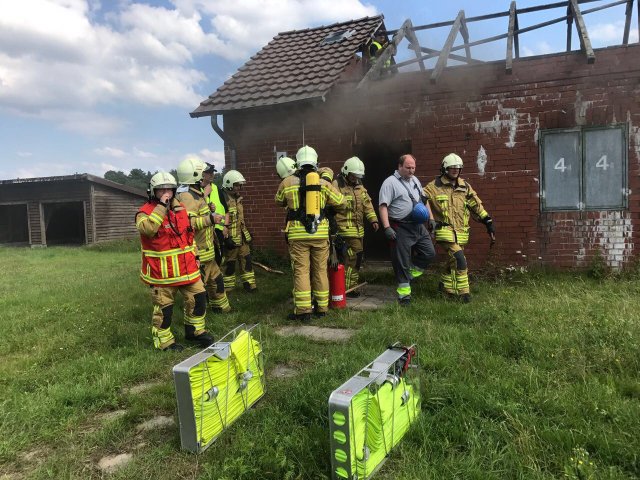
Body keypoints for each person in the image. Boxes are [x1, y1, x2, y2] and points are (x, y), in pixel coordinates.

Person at [135, 171, 213, 351]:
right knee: (165, 310)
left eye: (169, 189)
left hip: (188, 270)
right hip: (162, 275)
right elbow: (148, 230)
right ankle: (164, 342)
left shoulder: (181, 210)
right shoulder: (144, 213)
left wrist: (196, 257)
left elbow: (188, 235)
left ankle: (195, 331)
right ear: (153, 192)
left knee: (199, 298)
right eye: (161, 190)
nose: (166, 193)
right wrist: (162, 207)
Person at [275, 145, 345, 321]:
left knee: (301, 272)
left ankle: (304, 311)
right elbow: (341, 202)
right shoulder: (323, 183)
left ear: (297, 162)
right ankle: (322, 308)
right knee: (320, 270)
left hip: (297, 235)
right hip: (320, 234)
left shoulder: (287, 182)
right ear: (315, 162)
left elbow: (279, 201)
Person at [423, 153, 495, 303]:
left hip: (461, 233)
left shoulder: (465, 187)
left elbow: (476, 206)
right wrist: (430, 219)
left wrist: (488, 221)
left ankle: (444, 287)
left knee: (453, 262)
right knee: (459, 259)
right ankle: (463, 294)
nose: (455, 170)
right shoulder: (434, 187)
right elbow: (420, 198)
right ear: (444, 169)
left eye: (458, 168)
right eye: (452, 168)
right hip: (444, 232)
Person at [176, 157, 231, 313]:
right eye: (202, 173)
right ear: (194, 175)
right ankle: (196, 318)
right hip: (198, 254)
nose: (205, 177)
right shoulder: (187, 197)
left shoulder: (197, 194)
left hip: (208, 251)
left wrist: (209, 209)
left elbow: (199, 215)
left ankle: (222, 310)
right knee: (198, 291)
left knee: (217, 282)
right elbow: (188, 224)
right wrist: (211, 219)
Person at [378, 154, 436, 305]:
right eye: (408, 168)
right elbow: (383, 206)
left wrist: (431, 218)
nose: (411, 171)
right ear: (399, 166)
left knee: (429, 252)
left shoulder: (415, 180)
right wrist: (387, 227)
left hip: (417, 225)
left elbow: (424, 200)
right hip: (401, 226)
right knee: (402, 260)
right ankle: (404, 296)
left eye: (413, 168)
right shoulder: (390, 183)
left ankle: (409, 275)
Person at [332, 156, 379, 296]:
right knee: (354, 257)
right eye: (353, 176)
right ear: (346, 172)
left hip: (358, 230)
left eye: (358, 176)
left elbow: (367, 204)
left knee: (354, 258)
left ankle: (347, 287)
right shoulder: (337, 185)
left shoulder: (359, 186)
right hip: (344, 229)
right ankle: (349, 288)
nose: (355, 179)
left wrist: (373, 220)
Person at [221, 169, 257, 292]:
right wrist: (226, 238)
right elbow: (221, 222)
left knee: (247, 261)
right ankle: (228, 289)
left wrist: (246, 233)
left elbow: (240, 220)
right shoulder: (223, 200)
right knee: (229, 265)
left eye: (240, 185)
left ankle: (250, 286)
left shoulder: (238, 199)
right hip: (230, 240)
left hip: (242, 239)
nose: (239, 188)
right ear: (229, 184)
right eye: (236, 185)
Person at [201, 162, 228, 265]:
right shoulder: (196, 190)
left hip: (218, 230)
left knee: (219, 257)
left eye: (213, 172)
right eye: (209, 172)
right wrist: (204, 195)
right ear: (202, 174)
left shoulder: (217, 189)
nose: (212, 175)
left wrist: (225, 226)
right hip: (204, 231)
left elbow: (226, 210)